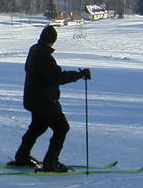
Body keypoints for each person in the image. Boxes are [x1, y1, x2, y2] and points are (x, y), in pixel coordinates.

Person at [9, 24, 90, 172]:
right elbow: (56, 77)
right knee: (62, 128)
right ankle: (51, 162)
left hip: (33, 99)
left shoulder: (34, 49)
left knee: (37, 127)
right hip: (44, 101)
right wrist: (79, 75)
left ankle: (22, 157)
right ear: (52, 40)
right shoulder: (44, 56)